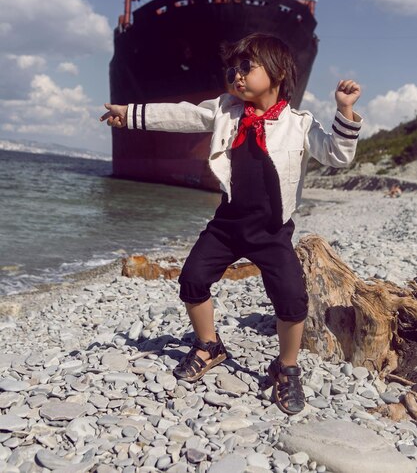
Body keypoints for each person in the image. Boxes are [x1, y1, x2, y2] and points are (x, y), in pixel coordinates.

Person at [100, 33, 362, 415]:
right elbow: (184, 114)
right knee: (191, 280)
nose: (236, 76)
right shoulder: (226, 109)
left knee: (292, 301)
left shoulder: (300, 124)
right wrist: (132, 114)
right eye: (232, 69)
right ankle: (209, 345)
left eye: (246, 67)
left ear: (278, 73)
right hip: (228, 223)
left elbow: (338, 156)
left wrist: (345, 110)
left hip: (272, 231)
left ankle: (286, 367)